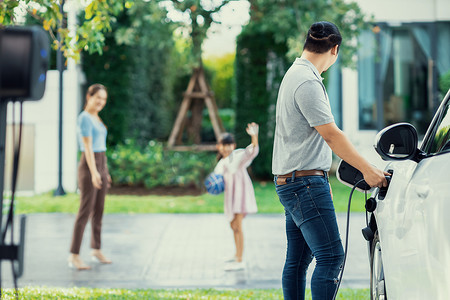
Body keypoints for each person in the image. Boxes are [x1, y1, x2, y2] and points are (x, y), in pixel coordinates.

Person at [272, 21, 389, 299]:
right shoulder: (307, 81)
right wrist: (368, 170)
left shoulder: (294, 74)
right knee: (331, 256)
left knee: (299, 261)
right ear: (334, 49)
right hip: (305, 185)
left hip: (291, 181)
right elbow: (332, 135)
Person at [68, 83, 112, 270]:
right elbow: (88, 148)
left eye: (103, 99)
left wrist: (105, 171)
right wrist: (94, 172)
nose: (100, 102)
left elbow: (102, 146)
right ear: (89, 96)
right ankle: (74, 255)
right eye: (97, 98)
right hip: (89, 166)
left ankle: (96, 249)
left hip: (101, 163)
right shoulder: (85, 118)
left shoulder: (97, 117)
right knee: (84, 211)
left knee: (99, 210)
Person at [214, 123, 259, 271]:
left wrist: (254, 136)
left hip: (240, 196)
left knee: (238, 226)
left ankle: (240, 260)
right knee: (233, 225)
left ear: (233, 146)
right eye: (224, 145)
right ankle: (236, 255)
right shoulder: (221, 163)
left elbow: (251, 151)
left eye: (230, 144)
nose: (227, 148)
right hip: (231, 198)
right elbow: (217, 181)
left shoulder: (237, 156)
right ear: (219, 146)